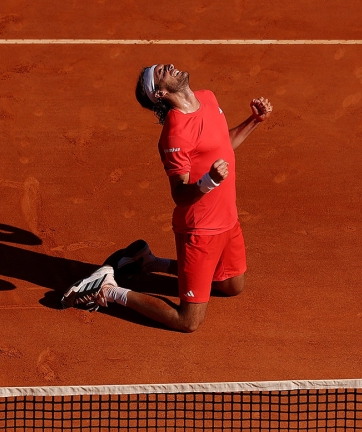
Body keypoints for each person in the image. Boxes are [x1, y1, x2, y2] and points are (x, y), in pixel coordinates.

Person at [61, 63, 273, 333]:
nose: (170, 66)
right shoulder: (175, 132)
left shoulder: (207, 97)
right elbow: (180, 195)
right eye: (161, 72)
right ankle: (109, 289)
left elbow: (221, 143)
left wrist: (254, 121)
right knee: (188, 321)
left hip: (228, 218)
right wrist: (210, 181)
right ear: (159, 94)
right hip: (200, 229)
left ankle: (148, 262)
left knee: (232, 286)